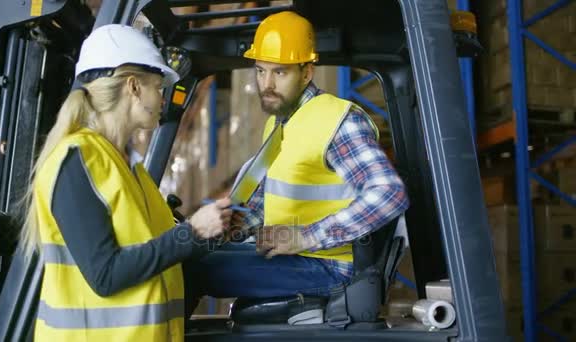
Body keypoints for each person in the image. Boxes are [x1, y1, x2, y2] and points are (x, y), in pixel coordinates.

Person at [184, 11, 409, 315]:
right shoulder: (281, 125)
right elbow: (267, 203)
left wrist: (305, 236)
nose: (267, 83)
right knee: (190, 257)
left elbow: (389, 192)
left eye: (280, 73)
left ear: (307, 72)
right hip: (299, 256)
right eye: (261, 71)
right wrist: (230, 227)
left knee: (189, 273)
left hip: (330, 267)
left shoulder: (337, 120)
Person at [20, 24, 233, 341]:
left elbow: (158, 255)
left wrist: (212, 232)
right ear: (133, 87)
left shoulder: (131, 171)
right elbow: (105, 275)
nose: (164, 98)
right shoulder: (77, 162)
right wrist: (191, 232)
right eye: (159, 87)